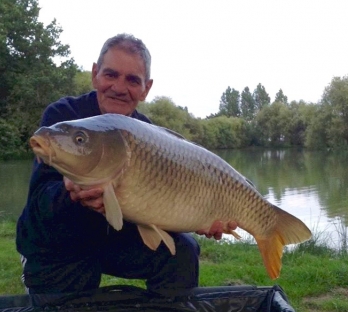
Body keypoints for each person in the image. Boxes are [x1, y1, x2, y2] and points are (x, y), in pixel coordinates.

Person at [16, 33, 237, 295]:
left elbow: (156, 207)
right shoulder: (63, 120)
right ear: (95, 74)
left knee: (182, 252)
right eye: (111, 75)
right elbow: (39, 206)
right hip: (58, 242)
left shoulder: (148, 135)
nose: (120, 88)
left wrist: (199, 217)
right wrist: (69, 194)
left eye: (133, 80)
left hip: (113, 239)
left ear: (146, 88)